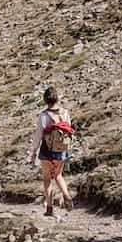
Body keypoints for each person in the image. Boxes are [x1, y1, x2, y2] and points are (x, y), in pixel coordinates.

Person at [28, 87, 75, 217]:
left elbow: (39, 134)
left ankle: (49, 208)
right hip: (61, 151)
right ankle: (66, 195)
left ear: (45, 100)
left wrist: (33, 152)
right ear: (57, 98)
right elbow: (69, 129)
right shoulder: (65, 112)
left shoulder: (44, 115)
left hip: (46, 151)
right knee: (58, 175)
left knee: (47, 179)